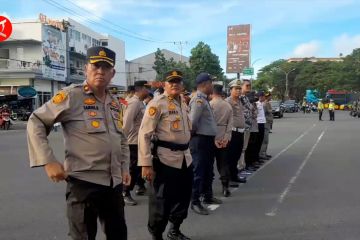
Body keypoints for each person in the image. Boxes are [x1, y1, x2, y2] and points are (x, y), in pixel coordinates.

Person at [27, 46, 130, 240]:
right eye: (95, 66)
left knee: (118, 235)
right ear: (86, 69)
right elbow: (36, 121)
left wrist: (125, 168)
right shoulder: (71, 96)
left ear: (112, 73)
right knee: (83, 236)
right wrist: (48, 160)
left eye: (105, 67)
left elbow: (121, 139)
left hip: (113, 183)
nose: (100, 71)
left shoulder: (115, 102)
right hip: (83, 183)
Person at [138, 70, 193, 240]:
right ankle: (157, 234)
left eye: (178, 81)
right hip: (165, 159)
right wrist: (146, 163)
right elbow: (144, 134)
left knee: (183, 197)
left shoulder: (183, 102)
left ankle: (174, 229)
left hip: (185, 158)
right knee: (161, 202)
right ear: (165, 85)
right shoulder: (157, 104)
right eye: (171, 82)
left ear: (182, 85)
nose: (175, 84)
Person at [189, 72, 220, 216]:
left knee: (208, 170)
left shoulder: (204, 99)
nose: (212, 85)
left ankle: (207, 196)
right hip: (200, 140)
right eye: (211, 83)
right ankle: (195, 201)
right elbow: (192, 122)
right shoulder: (198, 100)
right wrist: (195, 135)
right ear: (204, 84)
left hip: (207, 140)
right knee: (198, 172)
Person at [122, 80, 150, 205]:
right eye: (147, 88)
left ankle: (140, 185)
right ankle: (125, 192)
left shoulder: (139, 102)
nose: (149, 91)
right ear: (141, 89)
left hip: (139, 141)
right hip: (133, 141)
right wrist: (122, 141)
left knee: (138, 167)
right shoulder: (134, 103)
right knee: (133, 168)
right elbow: (127, 123)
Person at [210, 84, 233, 197]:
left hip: (211, 137)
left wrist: (214, 139)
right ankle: (225, 187)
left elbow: (208, 124)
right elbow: (230, 124)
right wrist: (226, 138)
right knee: (223, 163)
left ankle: (208, 190)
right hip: (224, 135)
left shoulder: (210, 105)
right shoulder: (227, 105)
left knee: (209, 164)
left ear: (212, 92)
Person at [225, 80, 247, 185]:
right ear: (230, 90)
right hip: (233, 132)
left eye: (239, 88)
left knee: (237, 154)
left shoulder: (240, 101)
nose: (238, 91)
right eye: (236, 89)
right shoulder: (227, 102)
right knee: (231, 157)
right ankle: (230, 178)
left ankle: (234, 175)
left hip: (240, 132)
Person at [238, 80, 253, 174]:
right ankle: (240, 167)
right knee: (241, 148)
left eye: (249, 86)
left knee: (244, 148)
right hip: (242, 126)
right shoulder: (239, 98)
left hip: (247, 126)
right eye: (247, 85)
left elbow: (251, 108)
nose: (249, 87)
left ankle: (243, 166)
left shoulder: (245, 98)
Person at [259, 92, 273, 160]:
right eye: (269, 96)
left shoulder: (268, 103)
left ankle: (264, 152)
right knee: (265, 140)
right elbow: (263, 114)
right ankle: (262, 154)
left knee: (266, 140)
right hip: (265, 123)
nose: (271, 97)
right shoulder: (264, 104)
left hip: (268, 123)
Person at [254, 92, 267, 164]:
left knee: (260, 141)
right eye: (264, 96)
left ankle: (257, 157)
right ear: (260, 97)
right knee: (257, 142)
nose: (264, 98)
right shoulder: (256, 104)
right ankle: (255, 158)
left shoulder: (262, 104)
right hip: (258, 123)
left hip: (262, 123)